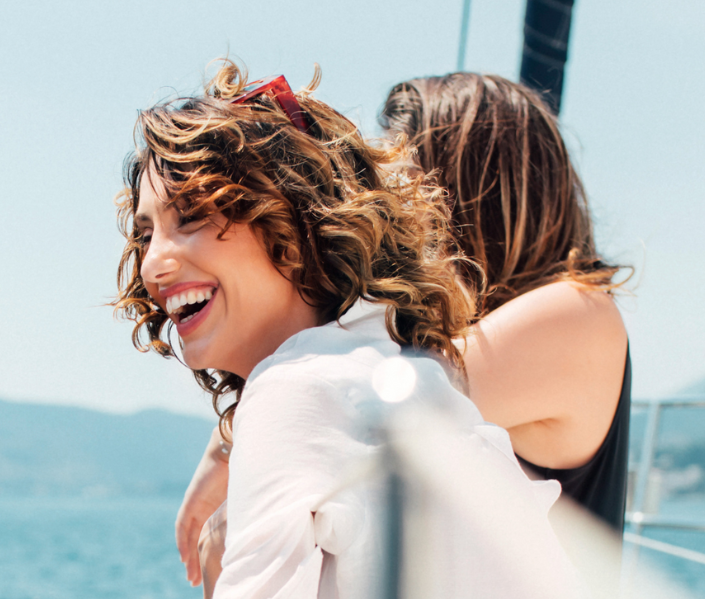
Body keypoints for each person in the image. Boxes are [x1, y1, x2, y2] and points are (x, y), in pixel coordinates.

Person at [114, 61, 583, 598]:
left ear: (295, 222)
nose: (153, 264)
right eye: (146, 234)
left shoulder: (294, 390)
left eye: (191, 216)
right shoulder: (409, 370)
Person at [379, 72, 631, 531]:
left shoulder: (580, 314)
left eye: (403, 188)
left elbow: (363, 413)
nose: (386, 214)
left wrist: (225, 443)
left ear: (471, 192)